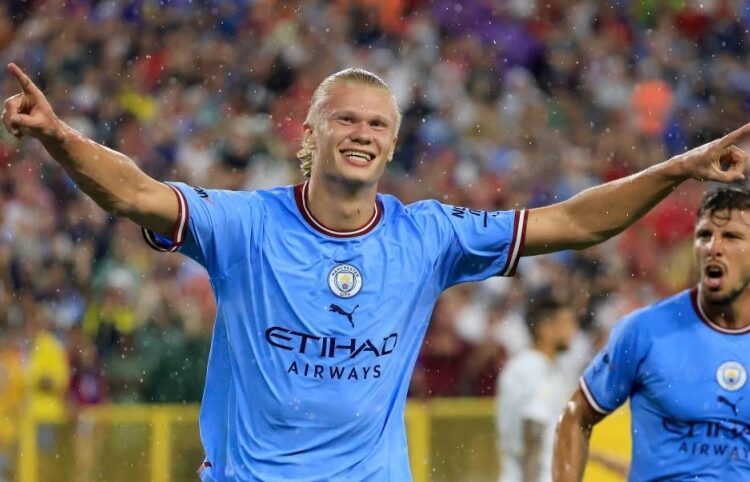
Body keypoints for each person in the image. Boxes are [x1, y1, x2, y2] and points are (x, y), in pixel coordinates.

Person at [1, 63, 749, 482]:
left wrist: (679, 168)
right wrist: (57, 136)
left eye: (377, 124)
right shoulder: (246, 227)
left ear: (392, 145)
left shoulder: (429, 237)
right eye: (347, 119)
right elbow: (132, 191)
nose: (362, 133)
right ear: (312, 132)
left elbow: (578, 220)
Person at [553, 185, 750, 481]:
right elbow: (576, 415)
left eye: (731, 236)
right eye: (704, 235)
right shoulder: (645, 331)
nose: (713, 247)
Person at [496, 295, 579, 482]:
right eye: (566, 322)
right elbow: (533, 432)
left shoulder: (526, 366)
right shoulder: (537, 370)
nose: (573, 330)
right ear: (545, 329)